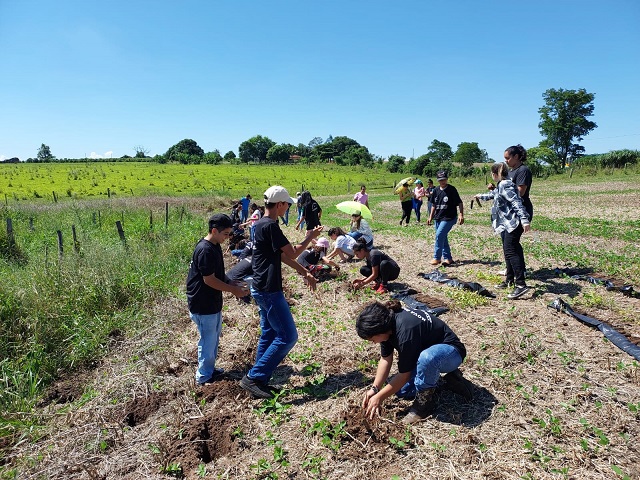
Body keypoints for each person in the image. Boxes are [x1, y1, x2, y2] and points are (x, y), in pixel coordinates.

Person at [240, 186, 323, 399]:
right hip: (268, 289)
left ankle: (259, 378)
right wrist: (309, 236)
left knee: (268, 333)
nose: (287, 208)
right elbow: (293, 253)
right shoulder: (270, 226)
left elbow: (282, 257)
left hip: (261, 287)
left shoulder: (261, 224)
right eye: (287, 204)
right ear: (279, 205)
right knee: (288, 336)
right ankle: (254, 377)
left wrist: (305, 272)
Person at [356, 301, 472, 424]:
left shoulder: (405, 331)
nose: (373, 342)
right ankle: (450, 380)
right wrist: (375, 389)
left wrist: (379, 398)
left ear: (379, 331)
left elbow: (404, 375)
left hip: (451, 353)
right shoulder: (387, 325)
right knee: (402, 391)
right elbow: (385, 359)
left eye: (372, 339)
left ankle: (422, 408)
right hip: (426, 354)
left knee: (427, 358)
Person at [186, 214, 249, 385]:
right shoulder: (205, 250)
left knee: (213, 338)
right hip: (202, 302)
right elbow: (209, 279)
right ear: (214, 231)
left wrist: (229, 281)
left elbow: (218, 274)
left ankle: (210, 369)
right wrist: (233, 290)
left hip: (211, 301)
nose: (228, 238)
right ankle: (203, 376)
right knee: (207, 341)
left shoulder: (214, 245)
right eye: (226, 234)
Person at [473, 162, 531, 300]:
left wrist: (524, 219)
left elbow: (516, 201)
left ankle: (521, 284)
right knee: (508, 251)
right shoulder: (503, 184)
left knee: (511, 251)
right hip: (505, 224)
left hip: (513, 223)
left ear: (494, 174)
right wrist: (480, 196)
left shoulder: (505, 184)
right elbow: (494, 195)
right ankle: (509, 280)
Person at [427, 171, 464, 266]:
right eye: (440, 180)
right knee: (443, 237)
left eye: (444, 179)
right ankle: (448, 258)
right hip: (438, 217)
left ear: (447, 179)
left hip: (449, 217)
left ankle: (437, 258)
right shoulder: (435, 190)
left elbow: (459, 202)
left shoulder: (452, 189)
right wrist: (430, 217)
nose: (442, 182)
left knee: (439, 235)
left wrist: (461, 214)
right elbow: (433, 205)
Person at [504, 144, 533, 220]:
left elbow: (520, 192)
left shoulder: (523, 171)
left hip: (521, 210)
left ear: (516, 156)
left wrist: (503, 192)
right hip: (511, 210)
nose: (506, 161)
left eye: (508, 158)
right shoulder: (510, 172)